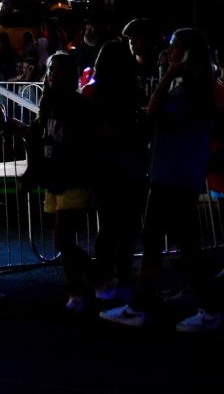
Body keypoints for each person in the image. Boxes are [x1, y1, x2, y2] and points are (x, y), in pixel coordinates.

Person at [101, 28, 220, 332]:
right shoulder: (197, 85)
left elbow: (154, 112)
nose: (169, 52)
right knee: (164, 238)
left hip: (174, 172)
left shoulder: (189, 87)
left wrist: (168, 76)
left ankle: (204, 308)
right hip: (175, 171)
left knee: (176, 240)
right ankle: (146, 303)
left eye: (175, 47)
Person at [83, 40, 145, 301]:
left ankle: (104, 278)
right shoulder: (133, 91)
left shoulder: (92, 93)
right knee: (128, 225)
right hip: (131, 162)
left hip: (104, 163)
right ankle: (123, 276)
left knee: (108, 225)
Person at [32, 53, 94, 312]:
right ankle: (81, 284)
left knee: (62, 238)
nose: (52, 75)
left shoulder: (77, 105)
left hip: (72, 177)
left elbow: (80, 143)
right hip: (56, 178)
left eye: (57, 70)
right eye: (50, 70)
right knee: (63, 240)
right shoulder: (48, 103)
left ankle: (86, 282)